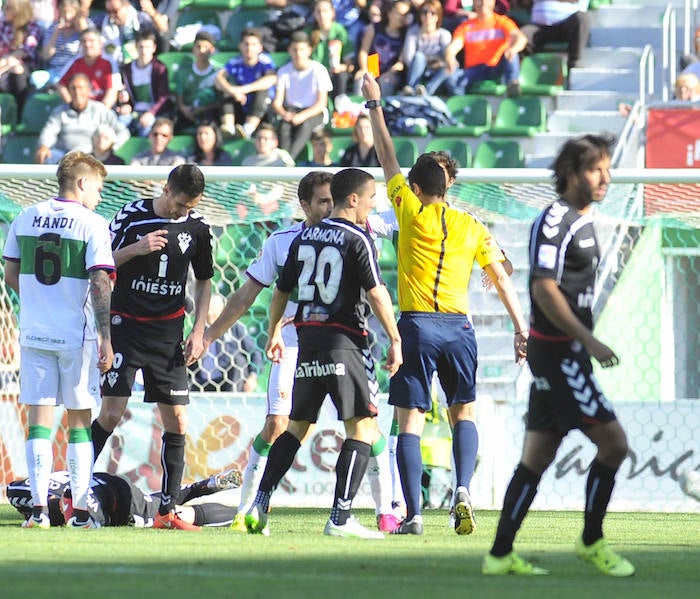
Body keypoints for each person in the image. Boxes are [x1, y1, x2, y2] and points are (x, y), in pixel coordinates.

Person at [362, 71, 529, 535]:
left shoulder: (408, 212)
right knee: (463, 413)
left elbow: (386, 156)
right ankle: (463, 491)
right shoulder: (472, 225)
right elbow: (501, 276)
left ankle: (414, 515)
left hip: (416, 325)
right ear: (447, 187)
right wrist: (520, 328)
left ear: (414, 188)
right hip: (459, 328)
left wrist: (374, 104)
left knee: (410, 421)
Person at [197, 170, 403, 534]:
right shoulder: (358, 236)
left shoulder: (302, 239)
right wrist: (396, 339)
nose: (373, 205)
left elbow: (280, 291)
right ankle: (341, 517)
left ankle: (259, 506)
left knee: (295, 428)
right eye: (371, 198)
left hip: (305, 341)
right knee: (362, 428)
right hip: (345, 341)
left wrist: (275, 328)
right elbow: (375, 292)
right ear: (353, 199)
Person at [483, 134, 635, 577]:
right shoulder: (555, 219)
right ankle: (591, 541)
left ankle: (499, 554)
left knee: (536, 457)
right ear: (571, 176)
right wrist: (589, 341)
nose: (605, 177)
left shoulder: (584, 217)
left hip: (562, 356)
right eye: (595, 169)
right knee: (614, 445)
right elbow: (544, 287)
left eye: (607, 168)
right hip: (560, 356)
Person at [90, 163, 212, 531]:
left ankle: (167, 511)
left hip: (168, 336)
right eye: (179, 204)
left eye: (189, 206)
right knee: (110, 415)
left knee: (177, 420)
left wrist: (199, 330)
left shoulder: (198, 227)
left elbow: (204, 280)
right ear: (165, 189)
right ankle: (73, 494)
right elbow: (99, 263)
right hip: (125, 327)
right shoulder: (131, 215)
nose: (182, 212)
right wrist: (137, 249)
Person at [3, 151, 116, 529]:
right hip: (76, 335)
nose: (98, 197)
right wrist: (106, 336)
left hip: (34, 332)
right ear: (82, 182)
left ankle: (37, 511)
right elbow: (100, 282)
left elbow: (10, 275)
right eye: (97, 188)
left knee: (39, 421)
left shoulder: (25, 216)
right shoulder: (92, 223)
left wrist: (39, 303)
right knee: (80, 422)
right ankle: (81, 513)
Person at [7, 467, 243, 528]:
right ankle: (205, 485)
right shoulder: (49, 480)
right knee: (157, 503)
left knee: (172, 515)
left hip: (114, 498)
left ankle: (240, 513)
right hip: (108, 483)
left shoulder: (22, 491)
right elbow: (15, 489)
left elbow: (13, 489)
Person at [35, 73, 129, 165]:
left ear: (89, 90)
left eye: (81, 88)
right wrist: (44, 145)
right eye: (73, 88)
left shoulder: (100, 110)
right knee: (46, 156)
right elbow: (50, 130)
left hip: (91, 156)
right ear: (69, 91)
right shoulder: (60, 112)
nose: (77, 92)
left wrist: (111, 147)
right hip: (65, 155)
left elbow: (123, 131)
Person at [444, 0, 527, 97]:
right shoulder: (465, 26)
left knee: (512, 54)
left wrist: (513, 49)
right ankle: (462, 105)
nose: (483, 3)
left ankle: (512, 85)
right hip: (473, 70)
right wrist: (449, 57)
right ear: (474, 3)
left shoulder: (502, 22)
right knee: (452, 79)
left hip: (495, 68)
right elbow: (454, 46)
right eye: (479, 0)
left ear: (493, 2)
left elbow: (521, 38)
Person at [272, 30, 332, 160]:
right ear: (289, 50)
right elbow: (277, 102)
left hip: (314, 112)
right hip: (291, 110)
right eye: (295, 49)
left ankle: (288, 160)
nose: (298, 53)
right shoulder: (284, 71)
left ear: (309, 50)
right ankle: (285, 159)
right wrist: (284, 114)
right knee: (283, 127)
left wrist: (302, 116)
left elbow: (321, 103)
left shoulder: (319, 70)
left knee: (305, 126)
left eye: (302, 49)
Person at [190, 293, 262, 393]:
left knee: (239, 360)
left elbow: (255, 353)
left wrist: (253, 377)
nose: (210, 313)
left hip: (227, 381)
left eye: (214, 310)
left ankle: (234, 399)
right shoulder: (198, 332)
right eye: (208, 309)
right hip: (202, 382)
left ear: (223, 311)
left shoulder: (235, 328)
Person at [215, 27, 277, 140]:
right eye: (246, 44)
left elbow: (271, 78)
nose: (249, 48)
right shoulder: (235, 61)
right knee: (225, 91)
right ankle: (228, 129)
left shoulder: (264, 61)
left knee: (263, 91)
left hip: (262, 111)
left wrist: (243, 89)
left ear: (260, 47)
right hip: (241, 105)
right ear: (240, 46)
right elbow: (218, 79)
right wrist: (233, 91)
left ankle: (248, 130)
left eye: (253, 44)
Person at [0, 0, 41, 106]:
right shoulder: (3, 24)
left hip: (21, 64)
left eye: (8, 8)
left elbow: (26, 50)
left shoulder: (32, 27)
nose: (4, 11)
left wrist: (5, 60)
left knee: (16, 69)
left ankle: (18, 109)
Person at [117, 29, 173, 138]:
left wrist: (151, 113)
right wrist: (124, 105)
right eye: (141, 47)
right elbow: (123, 93)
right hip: (135, 112)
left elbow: (163, 98)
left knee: (147, 129)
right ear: (136, 47)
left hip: (154, 113)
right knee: (119, 124)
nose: (144, 51)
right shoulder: (127, 70)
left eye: (147, 47)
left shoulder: (159, 69)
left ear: (153, 48)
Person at [355, 0, 412, 97]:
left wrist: (390, 73)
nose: (403, 18)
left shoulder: (405, 35)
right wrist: (364, 68)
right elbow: (363, 51)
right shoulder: (375, 28)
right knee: (362, 78)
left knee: (386, 81)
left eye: (405, 15)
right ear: (390, 13)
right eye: (400, 14)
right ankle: (358, 109)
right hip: (372, 68)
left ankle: (383, 110)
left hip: (390, 73)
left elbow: (400, 62)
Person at [519, 0, 591, 71]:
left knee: (582, 18)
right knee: (520, 37)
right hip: (538, 27)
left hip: (565, 25)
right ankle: (520, 73)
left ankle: (574, 65)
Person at [56, 27, 117, 109]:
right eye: (84, 41)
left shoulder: (109, 62)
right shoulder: (76, 61)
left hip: (101, 110)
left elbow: (113, 91)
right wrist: (72, 105)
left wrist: (101, 112)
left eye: (91, 41)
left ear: (100, 43)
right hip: (79, 109)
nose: (87, 44)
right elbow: (60, 85)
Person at [173, 31, 222, 132]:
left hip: (209, 112)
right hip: (187, 111)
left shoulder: (218, 72)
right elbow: (179, 98)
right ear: (193, 49)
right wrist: (184, 109)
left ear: (212, 50)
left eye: (206, 47)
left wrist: (202, 109)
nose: (202, 50)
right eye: (198, 46)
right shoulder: (183, 71)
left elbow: (221, 101)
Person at [400, 0, 452, 96]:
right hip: (418, 69)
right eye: (425, 12)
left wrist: (440, 62)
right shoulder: (413, 32)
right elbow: (408, 58)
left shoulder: (444, 34)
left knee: (451, 65)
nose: (428, 16)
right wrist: (429, 60)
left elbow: (448, 57)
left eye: (432, 13)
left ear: (438, 15)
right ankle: (411, 88)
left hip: (437, 72)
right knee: (419, 56)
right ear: (420, 15)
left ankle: (426, 91)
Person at [36, 0, 90, 90]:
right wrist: (56, 34)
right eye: (64, 12)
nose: (67, 16)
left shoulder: (85, 26)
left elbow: (89, 41)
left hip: (75, 71)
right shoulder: (53, 28)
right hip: (55, 70)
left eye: (71, 13)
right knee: (36, 78)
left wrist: (80, 28)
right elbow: (46, 56)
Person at [308, 0, 354, 97]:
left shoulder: (340, 31)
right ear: (314, 14)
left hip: (334, 75)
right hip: (314, 74)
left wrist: (341, 67)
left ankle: (339, 106)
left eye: (325, 11)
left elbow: (349, 64)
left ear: (332, 13)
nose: (322, 15)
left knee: (341, 76)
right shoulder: (309, 32)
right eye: (318, 11)